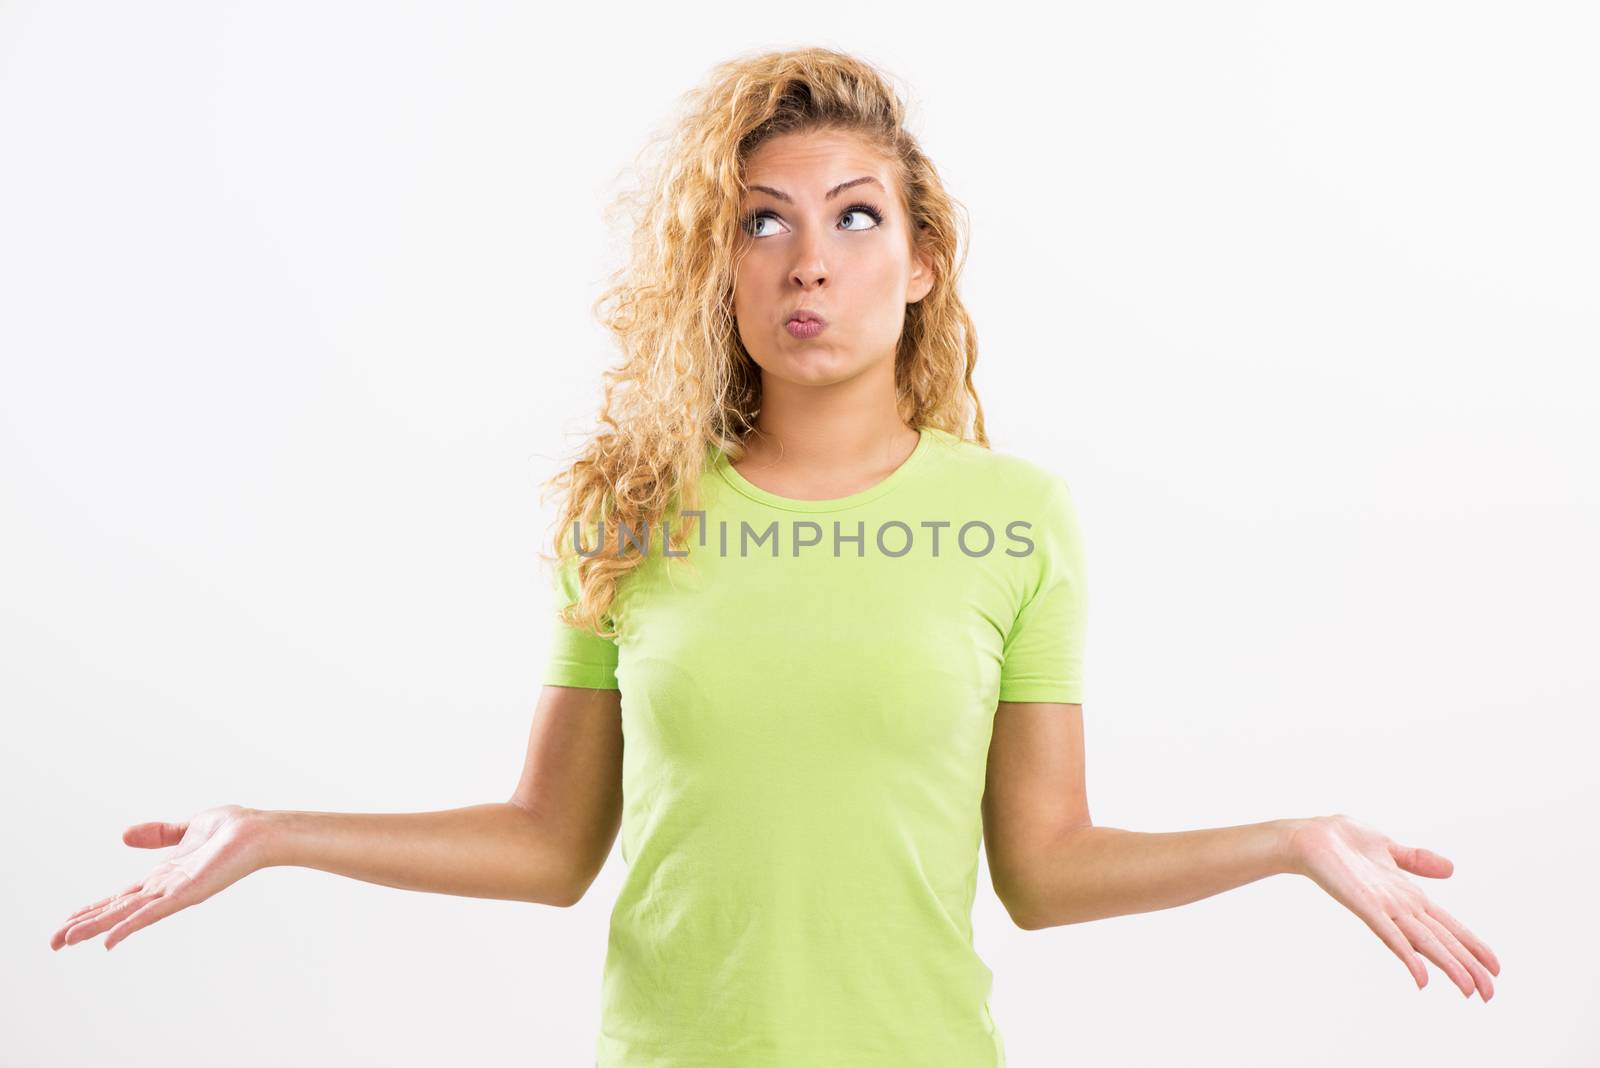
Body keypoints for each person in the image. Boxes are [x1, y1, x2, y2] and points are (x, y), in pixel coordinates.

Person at [50, 46, 1500, 1067]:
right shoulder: (633, 515)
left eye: (854, 218)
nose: (810, 261)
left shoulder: (1014, 518)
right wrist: (278, 836)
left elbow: (1046, 870)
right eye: (764, 223)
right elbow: (553, 847)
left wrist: (1295, 845)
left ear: (922, 259)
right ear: (723, 266)